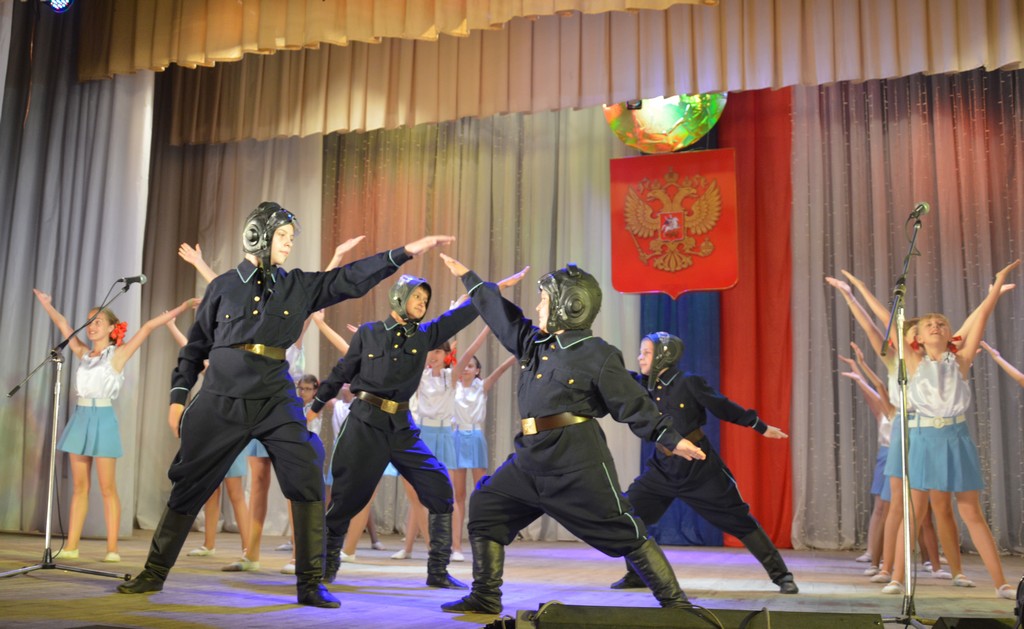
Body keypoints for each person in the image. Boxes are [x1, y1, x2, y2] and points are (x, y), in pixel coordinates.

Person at [116, 200, 454, 608]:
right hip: (222, 395)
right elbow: (194, 349)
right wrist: (177, 397)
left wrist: (404, 252)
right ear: (256, 235)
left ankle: (310, 583)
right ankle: (153, 573)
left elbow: (348, 278)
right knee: (189, 483)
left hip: (275, 396)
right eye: (282, 235)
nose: (289, 243)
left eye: (292, 237)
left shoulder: (298, 285)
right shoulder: (223, 286)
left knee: (307, 469)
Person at [438, 256, 703, 614]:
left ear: (570, 305)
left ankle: (677, 605)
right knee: (486, 506)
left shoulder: (598, 354)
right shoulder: (534, 343)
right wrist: (470, 278)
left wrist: (671, 438)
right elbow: (502, 316)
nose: (538, 307)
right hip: (530, 459)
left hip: (577, 462)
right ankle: (486, 596)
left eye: (544, 300)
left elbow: (632, 402)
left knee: (624, 530)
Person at [309, 271, 525, 588]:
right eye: (416, 297)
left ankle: (437, 572)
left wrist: (493, 289)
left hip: (401, 427)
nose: (422, 303)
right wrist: (313, 408)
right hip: (365, 425)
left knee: (440, 488)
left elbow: (461, 315)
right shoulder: (369, 333)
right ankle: (325, 569)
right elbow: (341, 371)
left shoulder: (424, 335)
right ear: (399, 297)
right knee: (345, 500)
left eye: (425, 299)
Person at [608, 332, 798, 594]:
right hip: (662, 468)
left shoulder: (689, 382)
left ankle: (782, 576)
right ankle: (637, 574)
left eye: (647, 353)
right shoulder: (644, 385)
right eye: (641, 352)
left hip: (700, 469)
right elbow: (617, 378)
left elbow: (722, 406)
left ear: (664, 355)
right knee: (630, 513)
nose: (640, 357)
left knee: (739, 520)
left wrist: (759, 426)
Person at [882, 259, 1019, 600]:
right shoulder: (913, 362)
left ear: (949, 333)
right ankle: (897, 577)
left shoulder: (960, 359)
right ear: (917, 337)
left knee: (971, 511)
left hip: (956, 438)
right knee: (914, 511)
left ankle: (1001, 583)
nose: (936, 326)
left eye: (941, 323)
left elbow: (980, 319)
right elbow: (891, 324)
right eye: (929, 324)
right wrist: (894, 297)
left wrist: (995, 287)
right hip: (923, 438)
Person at [33, 289, 194, 562]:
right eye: (89, 321)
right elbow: (63, 325)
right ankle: (71, 545)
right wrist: (47, 305)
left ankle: (112, 549)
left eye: (97, 321)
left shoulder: (118, 354)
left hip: (103, 419)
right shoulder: (83, 353)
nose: (91, 326)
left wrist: (183, 306)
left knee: (108, 488)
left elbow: (147, 327)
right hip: (80, 418)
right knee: (80, 487)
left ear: (111, 327)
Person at [165, 314, 252, 560]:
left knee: (235, 493)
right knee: (209, 492)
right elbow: (190, 351)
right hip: (209, 426)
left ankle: (249, 549)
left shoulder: (236, 360)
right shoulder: (210, 357)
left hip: (231, 429)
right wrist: (172, 326)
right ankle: (209, 543)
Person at [450, 326, 517, 560]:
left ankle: (481, 540)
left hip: (476, 438)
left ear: (477, 370)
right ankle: (456, 547)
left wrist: (519, 351)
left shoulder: (482, 386)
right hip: (457, 437)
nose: (466, 369)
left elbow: (501, 369)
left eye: (471, 366)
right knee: (458, 495)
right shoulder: (453, 386)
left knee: (480, 491)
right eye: (464, 366)